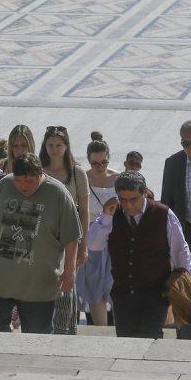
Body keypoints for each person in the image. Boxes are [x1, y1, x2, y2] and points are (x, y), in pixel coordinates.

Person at [0, 154, 81, 334]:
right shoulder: (5, 184)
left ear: (40, 173)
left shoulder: (58, 194)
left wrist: (70, 270)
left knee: (37, 338)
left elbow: (71, 237)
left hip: (38, 287)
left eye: (29, 180)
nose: (23, 186)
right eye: (19, 180)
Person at [88, 172, 191, 339]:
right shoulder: (111, 214)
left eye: (133, 200)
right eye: (123, 200)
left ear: (144, 193)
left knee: (150, 337)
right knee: (126, 342)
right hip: (123, 293)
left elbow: (180, 251)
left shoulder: (163, 214)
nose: (129, 205)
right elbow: (93, 244)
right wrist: (105, 217)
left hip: (155, 293)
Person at [40, 125, 89, 335]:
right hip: (45, 237)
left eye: (59, 145)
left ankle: (65, 329)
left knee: (67, 284)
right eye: (50, 145)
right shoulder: (40, 170)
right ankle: (50, 327)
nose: (54, 149)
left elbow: (85, 211)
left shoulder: (77, 173)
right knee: (47, 283)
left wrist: (84, 243)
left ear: (66, 146)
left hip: (70, 237)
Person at [161, 119, 191, 340]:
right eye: (186, 144)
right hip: (187, 232)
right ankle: (184, 338)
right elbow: (167, 203)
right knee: (184, 283)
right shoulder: (173, 163)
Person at [80, 131, 118, 327]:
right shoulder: (82, 178)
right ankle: (101, 331)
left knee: (115, 287)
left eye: (104, 162)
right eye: (95, 163)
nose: (100, 167)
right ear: (88, 161)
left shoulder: (118, 178)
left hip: (115, 241)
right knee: (95, 289)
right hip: (92, 241)